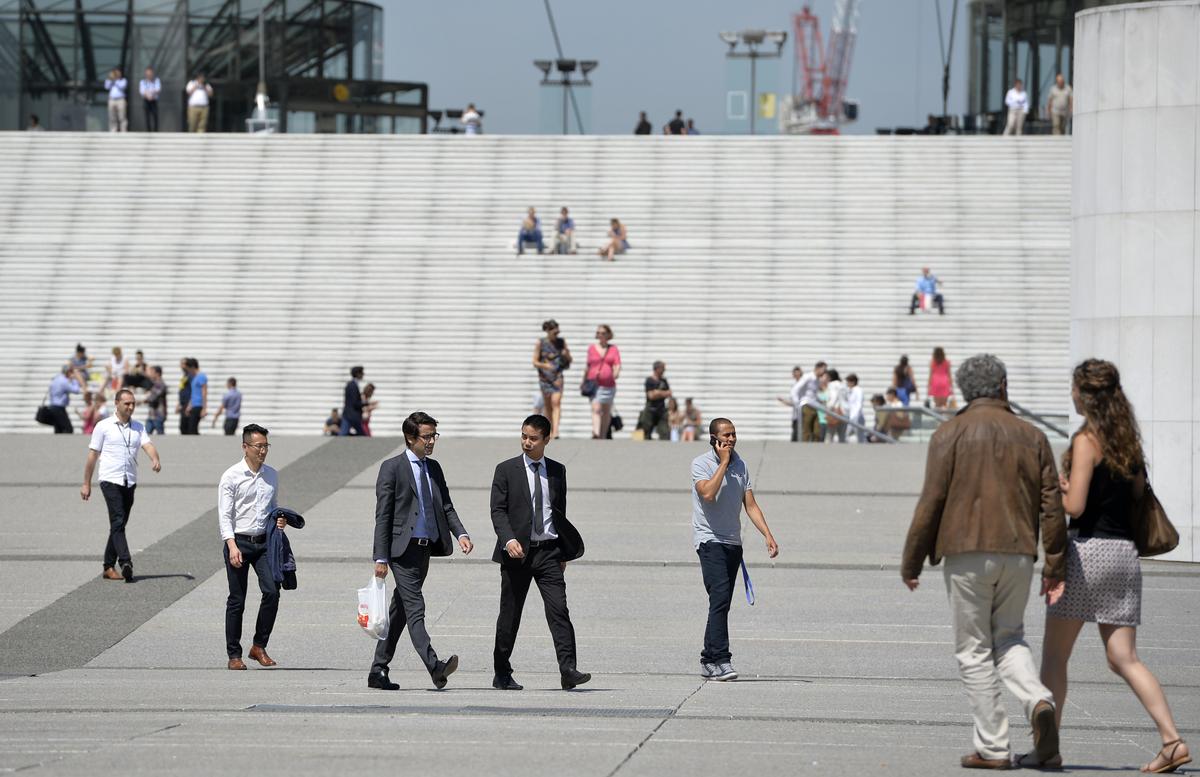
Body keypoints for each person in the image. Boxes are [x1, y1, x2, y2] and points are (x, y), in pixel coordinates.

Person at [900, 353, 1066, 771]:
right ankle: (1038, 700)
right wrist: (1055, 564)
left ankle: (993, 747)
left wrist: (912, 561)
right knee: (1010, 637)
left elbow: (932, 500)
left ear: (963, 391)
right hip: (1018, 550)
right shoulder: (1032, 435)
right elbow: (1051, 504)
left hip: (966, 551)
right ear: (1003, 386)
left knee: (974, 649)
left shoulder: (949, 433)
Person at [1039, 360, 1191, 773]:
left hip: (1087, 552)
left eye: (1074, 388)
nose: (1071, 395)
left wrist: (1057, 489)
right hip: (1124, 555)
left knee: (1055, 655)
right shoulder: (1128, 443)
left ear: (1085, 395)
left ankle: (1046, 749)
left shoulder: (1086, 439)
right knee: (1124, 657)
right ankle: (1172, 740)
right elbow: (1136, 494)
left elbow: (1076, 507)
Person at [368, 412, 474, 691]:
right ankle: (435, 666)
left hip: (425, 550)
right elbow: (383, 515)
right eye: (426, 437)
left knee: (401, 610)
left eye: (433, 436)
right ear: (410, 438)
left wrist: (461, 533)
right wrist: (381, 557)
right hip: (401, 551)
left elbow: (446, 506)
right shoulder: (392, 468)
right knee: (416, 607)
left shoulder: (434, 468)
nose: (431, 442)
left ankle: (378, 670)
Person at [489, 414, 590, 691]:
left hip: (549, 553)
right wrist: (508, 539)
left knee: (559, 610)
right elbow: (497, 511)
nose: (527, 442)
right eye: (524, 436)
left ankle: (568, 670)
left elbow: (560, 512)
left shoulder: (557, 471)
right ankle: (502, 672)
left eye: (533, 438)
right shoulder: (506, 470)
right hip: (516, 554)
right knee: (510, 615)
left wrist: (563, 552)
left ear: (547, 439)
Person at [692, 418, 779, 681]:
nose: (731, 439)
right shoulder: (701, 464)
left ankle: (708, 659)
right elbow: (708, 494)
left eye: (733, 434)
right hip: (710, 541)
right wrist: (723, 463)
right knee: (719, 599)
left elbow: (750, 504)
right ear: (714, 439)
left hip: (733, 543)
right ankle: (722, 660)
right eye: (726, 435)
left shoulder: (741, 465)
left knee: (721, 604)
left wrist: (767, 534)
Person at [219, 424, 286, 670]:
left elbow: (273, 506)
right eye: (258, 446)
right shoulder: (231, 476)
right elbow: (225, 515)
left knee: (272, 592)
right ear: (245, 447)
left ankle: (259, 646)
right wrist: (231, 545)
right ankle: (234, 655)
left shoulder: (272, 475)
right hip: (238, 542)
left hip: (263, 544)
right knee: (237, 599)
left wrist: (279, 519)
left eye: (266, 446)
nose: (263, 451)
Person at [81, 388, 162, 583]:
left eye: (133, 403)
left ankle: (108, 566)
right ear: (116, 403)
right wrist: (86, 483)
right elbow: (92, 455)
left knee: (119, 524)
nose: (131, 407)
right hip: (110, 479)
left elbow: (148, 445)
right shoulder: (103, 426)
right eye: (127, 403)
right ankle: (126, 562)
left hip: (129, 480)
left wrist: (155, 459)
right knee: (118, 520)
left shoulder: (138, 427)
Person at [534, 319, 571, 439]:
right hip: (545, 378)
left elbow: (569, 359)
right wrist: (545, 366)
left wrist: (566, 354)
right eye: (554, 332)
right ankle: (549, 430)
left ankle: (556, 430)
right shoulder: (541, 343)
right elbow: (535, 361)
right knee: (548, 405)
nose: (557, 334)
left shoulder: (561, 342)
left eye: (557, 332)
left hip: (557, 377)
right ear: (547, 331)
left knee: (556, 403)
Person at [585, 325, 621, 439]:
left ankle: (603, 435)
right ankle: (596, 432)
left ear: (608, 334)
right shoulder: (591, 348)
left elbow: (617, 363)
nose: (600, 335)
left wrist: (616, 373)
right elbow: (588, 366)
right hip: (594, 384)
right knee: (596, 408)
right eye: (598, 333)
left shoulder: (613, 349)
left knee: (606, 411)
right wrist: (584, 380)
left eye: (603, 333)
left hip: (609, 385)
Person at [778, 362, 825, 442]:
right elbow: (794, 390)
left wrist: (820, 400)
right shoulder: (808, 377)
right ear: (818, 368)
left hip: (814, 406)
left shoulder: (817, 380)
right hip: (807, 406)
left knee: (817, 431)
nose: (824, 372)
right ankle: (804, 446)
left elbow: (813, 393)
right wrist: (798, 404)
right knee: (806, 431)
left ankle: (815, 447)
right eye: (823, 369)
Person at [637, 361, 672, 440]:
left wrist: (658, 392)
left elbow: (669, 393)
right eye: (663, 369)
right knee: (646, 433)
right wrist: (662, 393)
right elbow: (651, 396)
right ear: (657, 369)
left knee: (665, 433)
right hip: (650, 410)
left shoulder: (664, 381)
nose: (664, 370)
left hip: (661, 410)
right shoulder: (649, 380)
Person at [183, 358, 207, 434]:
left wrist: (204, 408)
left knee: (192, 428)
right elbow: (193, 393)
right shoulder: (194, 378)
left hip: (198, 405)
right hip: (193, 405)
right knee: (190, 428)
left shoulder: (201, 377)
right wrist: (189, 405)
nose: (188, 371)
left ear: (192, 367)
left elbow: (204, 392)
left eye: (188, 369)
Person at [340, 366, 366, 436]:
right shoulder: (353, 385)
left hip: (348, 415)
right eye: (362, 373)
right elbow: (354, 403)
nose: (363, 374)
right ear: (357, 374)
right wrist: (366, 403)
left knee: (343, 434)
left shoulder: (352, 384)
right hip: (352, 415)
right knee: (362, 435)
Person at [824, 368, 848, 443]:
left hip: (834, 413)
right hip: (844, 413)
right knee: (842, 436)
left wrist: (827, 409)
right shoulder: (843, 384)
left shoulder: (832, 384)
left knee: (829, 436)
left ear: (830, 377)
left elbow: (833, 398)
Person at [142, 366, 168, 435]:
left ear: (157, 373)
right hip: (152, 414)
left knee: (160, 435)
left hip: (158, 415)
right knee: (146, 435)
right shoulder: (154, 384)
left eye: (152, 372)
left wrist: (142, 401)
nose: (150, 374)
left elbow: (153, 397)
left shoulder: (161, 384)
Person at [139, 67, 161, 132]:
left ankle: (156, 131)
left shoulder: (156, 80)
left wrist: (150, 93)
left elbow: (158, 89)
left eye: (150, 73)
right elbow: (142, 91)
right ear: (146, 74)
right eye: (147, 74)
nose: (149, 75)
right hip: (146, 101)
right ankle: (148, 131)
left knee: (155, 116)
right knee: (147, 116)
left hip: (154, 100)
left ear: (152, 73)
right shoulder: (143, 82)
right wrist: (147, 95)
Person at [845, 373, 865, 443]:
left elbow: (859, 403)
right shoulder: (850, 390)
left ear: (853, 382)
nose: (847, 384)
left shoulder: (858, 390)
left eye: (848, 382)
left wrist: (856, 416)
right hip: (851, 417)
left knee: (860, 437)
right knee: (846, 434)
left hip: (856, 416)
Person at [175, 358, 193, 435]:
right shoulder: (185, 376)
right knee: (182, 427)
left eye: (183, 364)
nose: (181, 366)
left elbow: (193, 391)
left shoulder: (191, 376)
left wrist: (190, 404)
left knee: (186, 427)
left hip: (188, 404)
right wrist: (179, 403)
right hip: (183, 403)